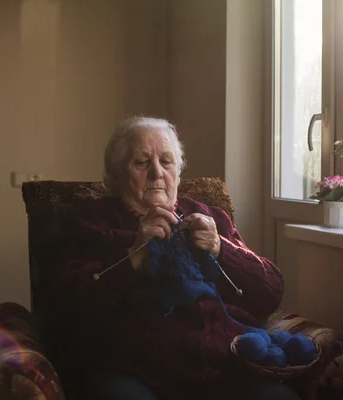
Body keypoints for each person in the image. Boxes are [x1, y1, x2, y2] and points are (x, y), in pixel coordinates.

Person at [43, 117, 300, 400]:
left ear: (178, 171)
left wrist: (221, 249)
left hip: (223, 363)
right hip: (132, 368)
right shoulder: (91, 220)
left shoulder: (212, 217)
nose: (156, 173)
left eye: (166, 162)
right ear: (115, 175)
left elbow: (270, 293)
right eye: (141, 163)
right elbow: (62, 306)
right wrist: (134, 257)